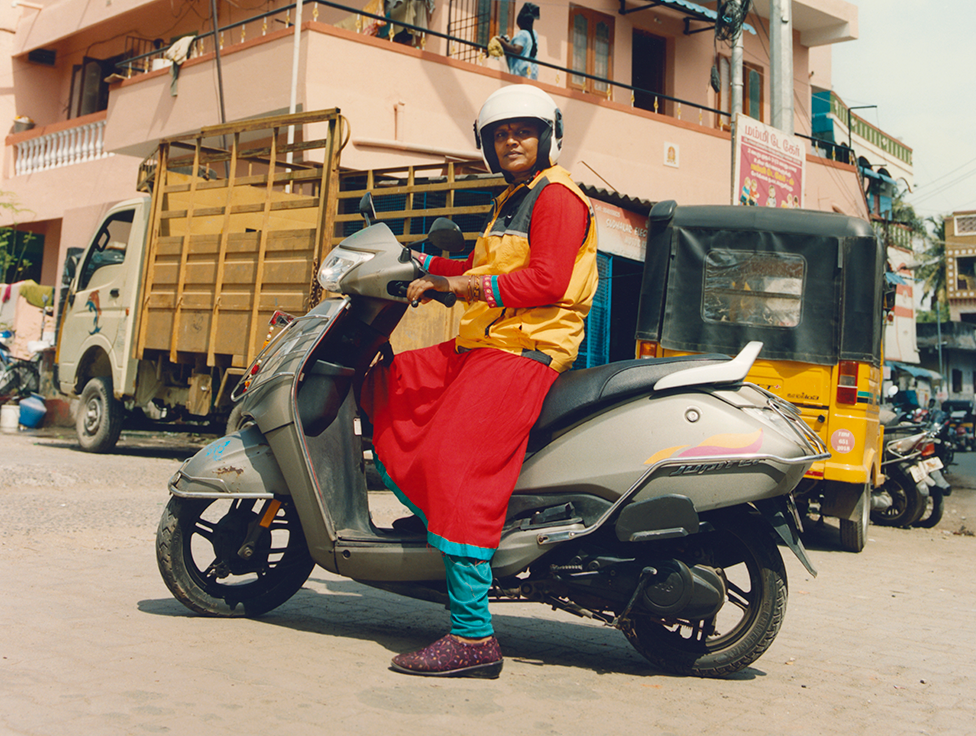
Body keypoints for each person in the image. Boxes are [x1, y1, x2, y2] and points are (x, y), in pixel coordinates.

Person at [361, 85, 598, 678]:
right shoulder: (513, 199)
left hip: (526, 348)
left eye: (522, 130)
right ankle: (438, 526)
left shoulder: (559, 198)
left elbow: (544, 281)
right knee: (393, 380)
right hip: (486, 341)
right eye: (500, 134)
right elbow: (480, 268)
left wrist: (459, 288)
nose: (510, 140)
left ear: (547, 137)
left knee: (454, 464)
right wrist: (423, 265)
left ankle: (472, 637)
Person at [496, 3, 540, 79]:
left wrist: (502, 42)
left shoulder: (522, 34)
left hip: (520, 73)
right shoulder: (534, 34)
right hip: (532, 73)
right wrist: (508, 44)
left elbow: (516, 50)